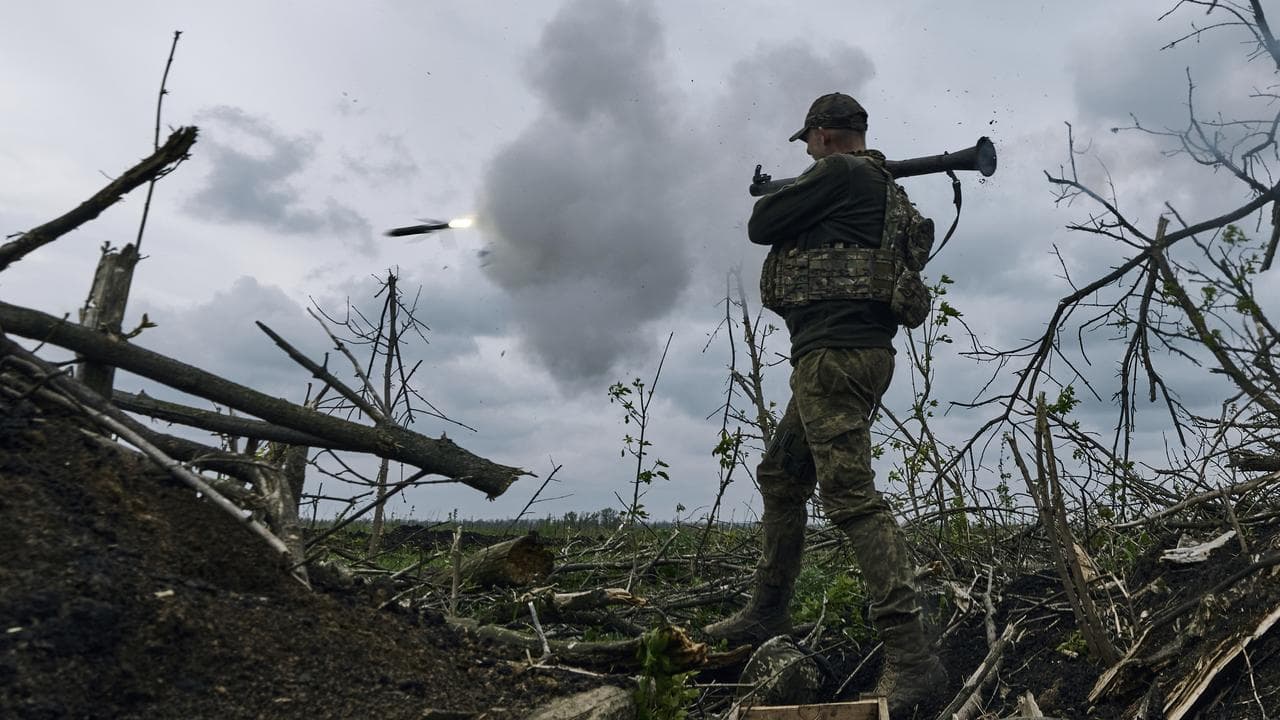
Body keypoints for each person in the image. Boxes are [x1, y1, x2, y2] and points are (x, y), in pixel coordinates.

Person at [705, 92, 947, 715]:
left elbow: (762, 225)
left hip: (835, 355)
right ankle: (766, 615)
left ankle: (913, 658)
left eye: (809, 140)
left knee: (850, 496)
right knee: (783, 475)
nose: (808, 150)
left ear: (822, 134)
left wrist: (796, 190)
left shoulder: (839, 173)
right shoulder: (878, 186)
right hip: (844, 354)